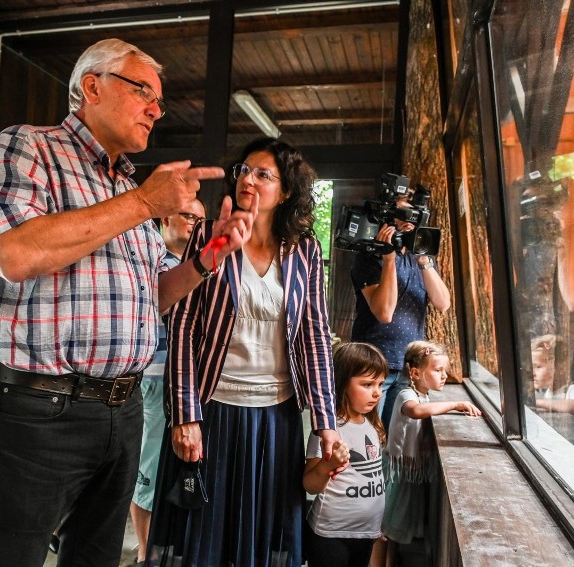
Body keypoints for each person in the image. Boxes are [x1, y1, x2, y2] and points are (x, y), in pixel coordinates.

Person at [0, 38, 254, 567]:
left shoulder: (126, 183)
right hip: (41, 410)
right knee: (11, 554)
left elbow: (152, 300)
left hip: (122, 411)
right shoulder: (28, 148)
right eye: (143, 90)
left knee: (96, 556)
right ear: (91, 87)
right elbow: (16, 253)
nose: (155, 108)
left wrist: (205, 261)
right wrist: (145, 202)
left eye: (159, 101)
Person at [147, 137, 341, 567]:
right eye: (244, 171)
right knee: (204, 536)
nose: (248, 179)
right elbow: (183, 325)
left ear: (286, 190)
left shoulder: (305, 250)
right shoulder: (208, 233)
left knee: (264, 533)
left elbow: (313, 335)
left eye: (263, 174)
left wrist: (326, 424)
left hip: (277, 417)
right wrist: (185, 414)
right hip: (213, 410)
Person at [130, 198, 206, 565]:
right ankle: (145, 553)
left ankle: (167, 549)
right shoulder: (151, 259)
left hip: (192, 383)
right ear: (166, 218)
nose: (194, 224)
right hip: (156, 377)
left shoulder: (202, 265)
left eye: (200, 219)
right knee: (148, 473)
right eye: (188, 216)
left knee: (180, 469)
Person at [350, 187, 451, 429]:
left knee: (395, 438)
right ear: (388, 215)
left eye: (413, 214)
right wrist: (389, 259)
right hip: (374, 364)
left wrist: (424, 261)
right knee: (368, 435)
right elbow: (384, 312)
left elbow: (443, 303)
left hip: (408, 365)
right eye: (403, 213)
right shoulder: (370, 254)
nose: (409, 221)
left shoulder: (420, 256)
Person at [380, 340, 481, 562]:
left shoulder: (424, 394)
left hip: (408, 472)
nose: (444, 375)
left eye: (444, 370)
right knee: (386, 529)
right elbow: (415, 412)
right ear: (415, 373)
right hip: (397, 473)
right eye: (437, 370)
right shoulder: (406, 394)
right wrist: (455, 405)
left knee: (396, 528)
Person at [303, 342, 388, 567]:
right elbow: (310, 485)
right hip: (330, 535)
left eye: (380, 384)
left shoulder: (372, 425)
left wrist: (375, 525)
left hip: (365, 533)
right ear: (341, 383)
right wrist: (326, 466)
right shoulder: (328, 430)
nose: (377, 392)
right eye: (367, 384)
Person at [531, 334, 574, 415]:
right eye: (531, 368)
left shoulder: (573, 390)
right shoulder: (546, 393)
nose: (533, 373)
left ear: (559, 367)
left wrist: (538, 402)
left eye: (538, 367)